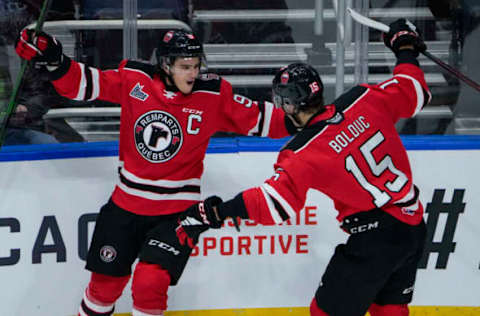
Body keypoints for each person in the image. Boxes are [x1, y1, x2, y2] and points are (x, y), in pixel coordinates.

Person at [15, 28, 298, 315]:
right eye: (185, 67)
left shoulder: (212, 94)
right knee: (104, 287)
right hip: (125, 206)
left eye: (197, 66)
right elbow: (85, 84)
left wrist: (309, 117)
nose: (193, 73)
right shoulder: (135, 79)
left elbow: (263, 119)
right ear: (165, 65)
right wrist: (55, 60)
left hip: (176, 213)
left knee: (150, 284)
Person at [177, 19, 431, 316]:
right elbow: (414, 90)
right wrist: (404, 47)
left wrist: (218, 212)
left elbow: (273, 204)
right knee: (391, 309)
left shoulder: (302, 151)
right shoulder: (363, 98)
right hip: (413, 225)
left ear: (288, 105)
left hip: (374, 239)